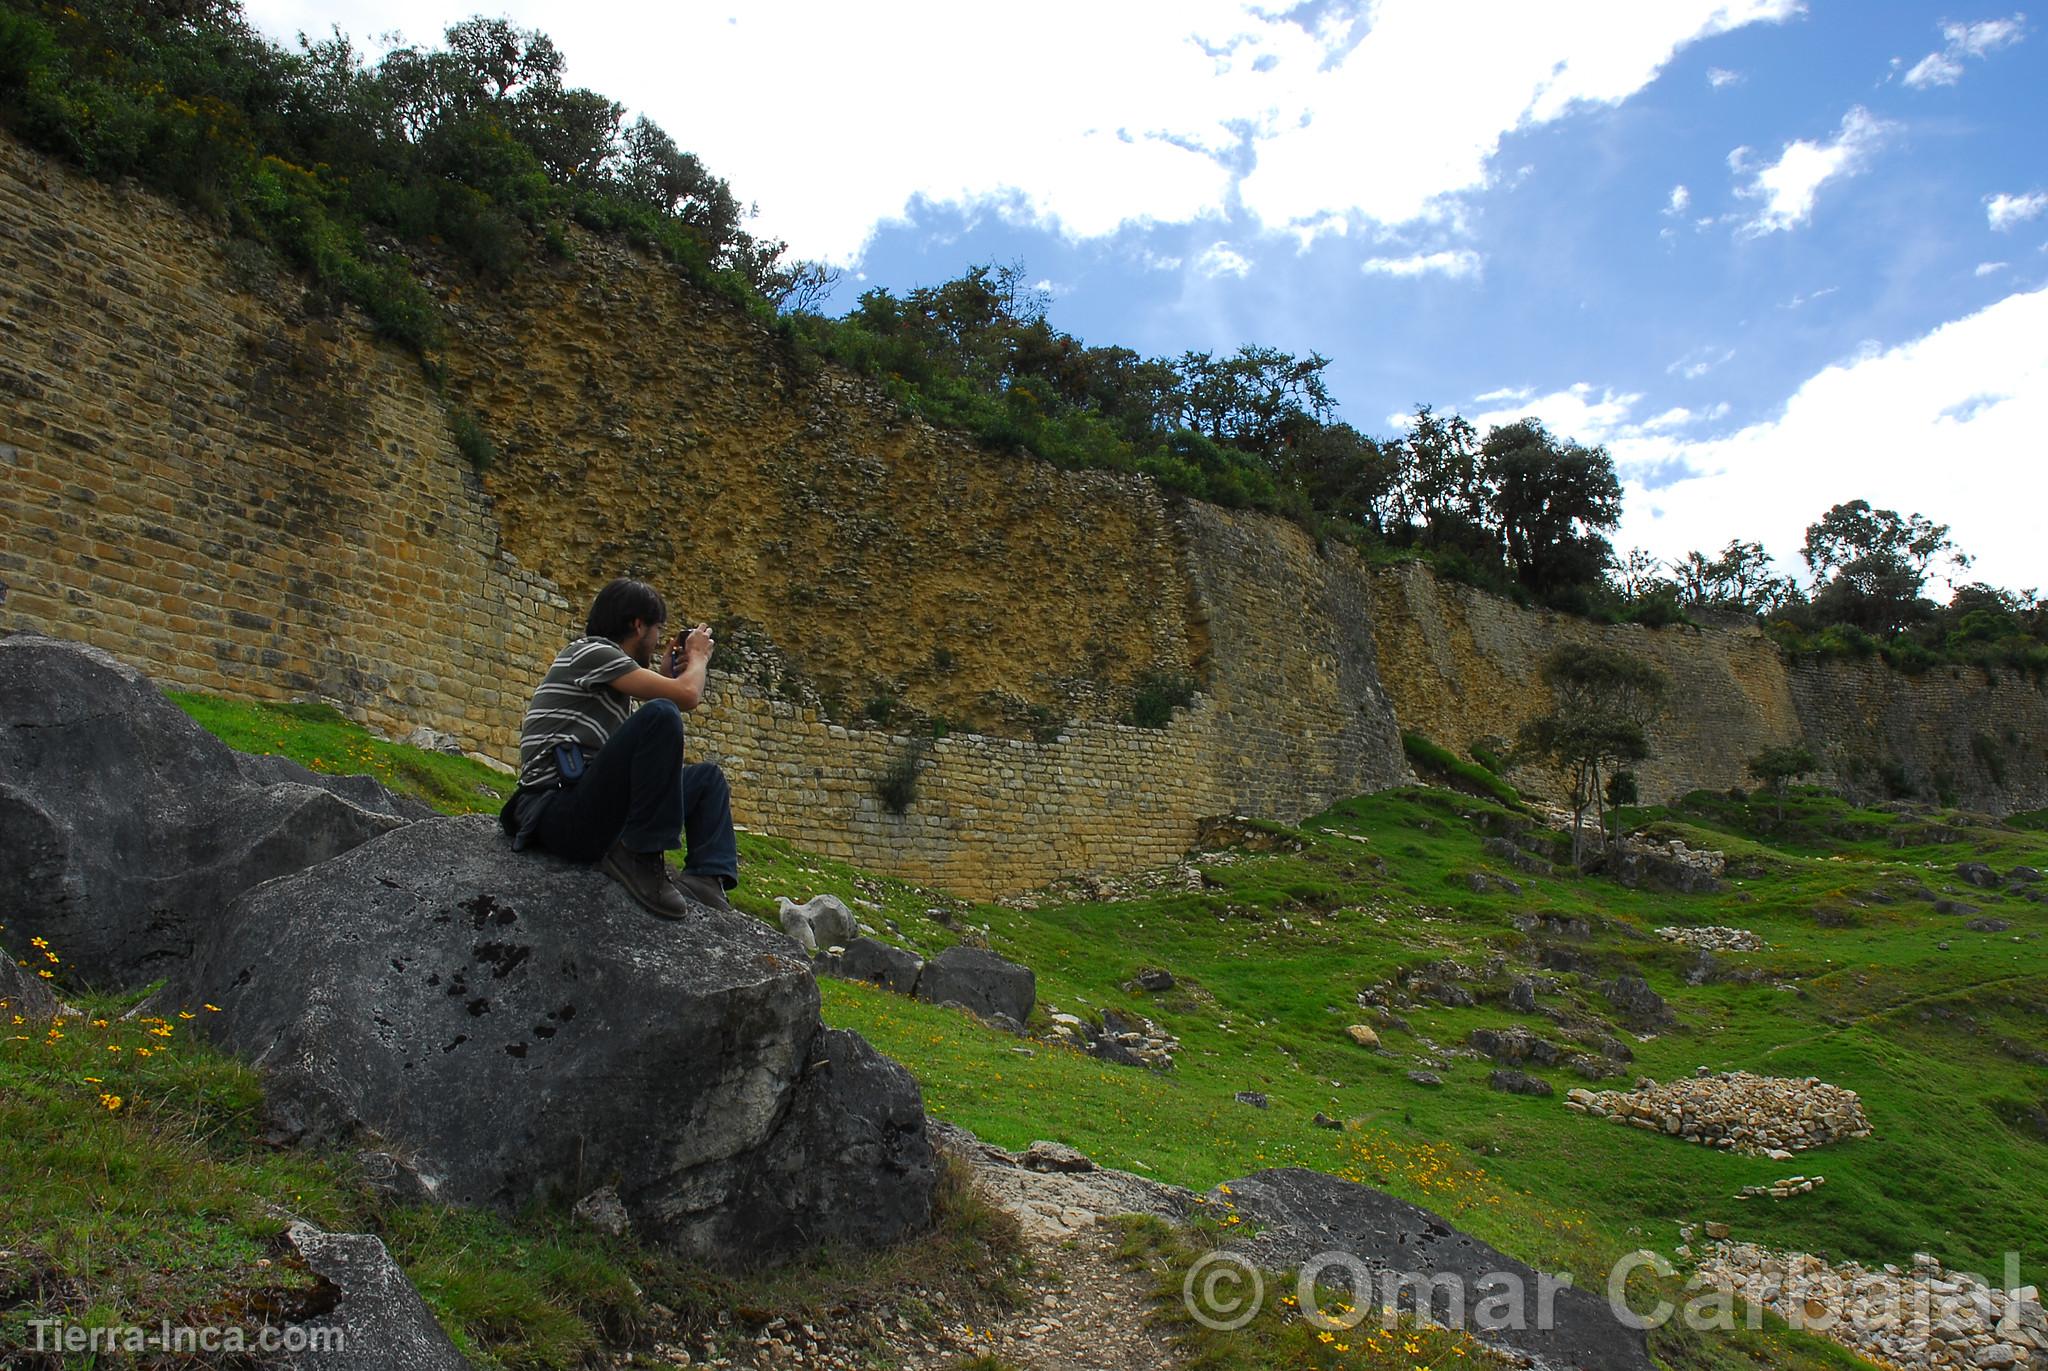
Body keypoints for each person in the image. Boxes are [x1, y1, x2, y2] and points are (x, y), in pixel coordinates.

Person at [500, 577, 738, 918]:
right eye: (657, 630)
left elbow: (634, 760)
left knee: (707, 780)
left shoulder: (613, 684)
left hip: (589, 805)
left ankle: (705, 877)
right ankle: (640, 859)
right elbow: (687, 696)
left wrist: (666, 675)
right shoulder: (591, 651)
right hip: (556, 810)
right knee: (662, 713)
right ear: (638, 625)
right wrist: (698, 656)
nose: (658, 641)